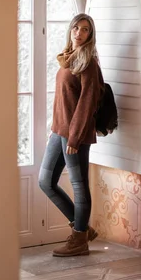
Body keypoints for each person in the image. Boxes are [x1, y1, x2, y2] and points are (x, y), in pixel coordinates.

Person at [38, 13, 103, 257]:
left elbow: (86, 104)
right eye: (76, 27)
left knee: (79, 185)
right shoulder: (69, 59)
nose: (79, 32)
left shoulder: (88, 63)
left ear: (90, 35)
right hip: (59, 130)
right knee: (45, 181)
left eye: (85, 29)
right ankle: (82, 227)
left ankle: (79, 240)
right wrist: (58, 128)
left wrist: (74, 138)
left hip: (75, 134)